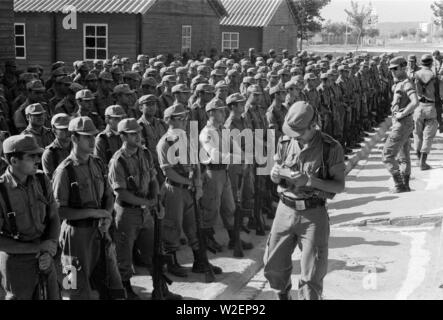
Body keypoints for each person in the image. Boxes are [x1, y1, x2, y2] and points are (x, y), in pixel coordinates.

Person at [264, 101, 345, 300]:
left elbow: (338, 186)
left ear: (313, 125)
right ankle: (284, 296)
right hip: (285, 210)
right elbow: (278, 174)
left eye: (299, 131)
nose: (294, 136)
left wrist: (310, 180)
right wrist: (275, 175)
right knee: (273, 266)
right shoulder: (284, 142)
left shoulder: (330, 148)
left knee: (312, 275)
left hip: (313, 215)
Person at [52, 117, 125, 300]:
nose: (93, 141)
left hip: (100, 231)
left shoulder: (98, 163)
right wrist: (95, 212)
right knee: (74, 286)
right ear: (74, 139)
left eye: (93, 136)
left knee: (112, 284)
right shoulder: (64, 171)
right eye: (87, 137)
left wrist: (106, 215)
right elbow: (60, 211)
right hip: (74, 237)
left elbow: (108, 194)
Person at [108, 118, 181, 300]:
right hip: (127, 213)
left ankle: (161, 289)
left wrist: (156, 201)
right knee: (124, 257)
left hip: (146, 212)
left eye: (138, 132)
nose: (138, 136)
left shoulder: (145, 153)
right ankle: (126, 291)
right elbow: (121, 193)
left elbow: (154, 179)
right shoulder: (118, 161)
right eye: (132, 134)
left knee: (154, 252)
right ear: (123, 136)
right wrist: (148, 203)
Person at [157, 103, 223, 277]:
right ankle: (172, 263)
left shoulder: (186, 139)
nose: (185, 120)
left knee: (194, 226)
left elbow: (196, 164)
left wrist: (198, 184)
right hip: (175, 190)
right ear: (169, 120)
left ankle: (200, 261)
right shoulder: (165, 142)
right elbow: (168, 171)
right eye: (181, 118)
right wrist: (189, 182)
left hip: (190, 189)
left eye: (185, 117)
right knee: (173, 227)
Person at [0, 135, 61, 299]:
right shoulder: (2, 191)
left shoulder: (41, 179)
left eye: (38, 155)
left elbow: (54, 215)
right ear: (13, 161)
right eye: (31, 156)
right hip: (17, 263)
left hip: (45, 255)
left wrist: (50, 247)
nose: (37, 160)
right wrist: (39, 248)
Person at [382, 57, 419, 193]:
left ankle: (399, 185)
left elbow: (415, 102)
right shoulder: (399, 83)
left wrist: (402, 114)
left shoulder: (406, 83)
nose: (392, 71)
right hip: (403, 123)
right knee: (403, 156)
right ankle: (405, 185)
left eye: (394, 69)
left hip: (402, 123)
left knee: (387, 155)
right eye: (391, 69)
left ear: (402, 68)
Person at [413, 54, 439, 171]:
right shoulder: (433, 75)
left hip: (418, 107)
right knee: (428, 135)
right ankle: (423, 162)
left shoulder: (416, 74)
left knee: (417, 134)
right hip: (430, 107)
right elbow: (438, 95)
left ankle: (418, 159)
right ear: (431, 63)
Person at [42, 113, 72, 180]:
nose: (68, 132)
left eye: (69, 128)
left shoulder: (78, 146)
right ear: (54, 130)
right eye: (63, 129)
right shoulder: (50, 153)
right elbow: (51, 181)